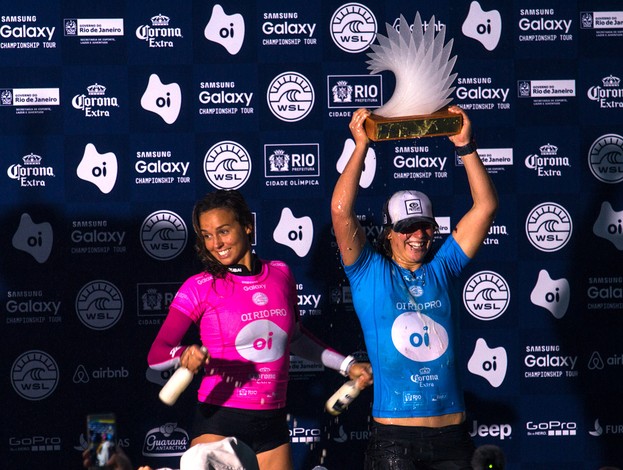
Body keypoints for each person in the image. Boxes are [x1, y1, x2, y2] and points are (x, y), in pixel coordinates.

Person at [148, 189, 372, 470]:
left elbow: (296, 338)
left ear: (247, 225)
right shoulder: (199, 286)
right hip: (219, 419)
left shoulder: (281, 273)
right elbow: (156, 354)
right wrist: (183, 355)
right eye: (206, 235)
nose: (216, 243)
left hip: (272, 425)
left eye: (223, 231)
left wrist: (347, 365)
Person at [330, 106, 498, 469]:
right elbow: (341, 212)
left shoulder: (445, 267)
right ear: (388, 231)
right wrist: (360, 146)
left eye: (424, 226)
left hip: (453, 439)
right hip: (395, 444)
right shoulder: (368, 273)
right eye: (407, 227)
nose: (418, 235)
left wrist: (466, 147)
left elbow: (485, 207)